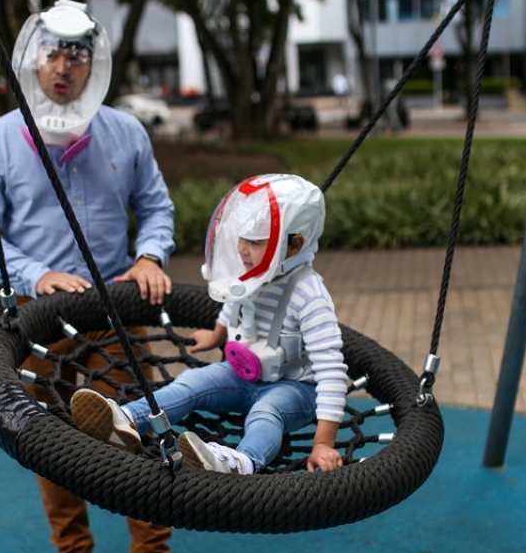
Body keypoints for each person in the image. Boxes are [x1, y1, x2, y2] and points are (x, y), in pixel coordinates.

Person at [0, 0, 191, 553]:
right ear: (33, 59)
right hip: (39, 318)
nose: (63, 67)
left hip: (116, 312)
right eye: (52, 53)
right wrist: (34, 275)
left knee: (137, 434)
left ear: (95, 63)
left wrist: (150, 255)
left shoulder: (126, 132)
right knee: (50, 440)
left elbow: (156, 207)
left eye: (77, 55)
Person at [71, 173, 348, 476]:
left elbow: (332, 371)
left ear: (294, 245)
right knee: (191, 383)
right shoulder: (253, 272)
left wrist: (324, 442)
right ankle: (127, 421)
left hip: (296, 388)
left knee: (266, 412)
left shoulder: (309, 295)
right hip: (242, 375)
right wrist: (217, 334)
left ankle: (241, 463)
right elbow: (235, 301)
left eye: (255, 241)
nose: (242, 249)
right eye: (241, 238)